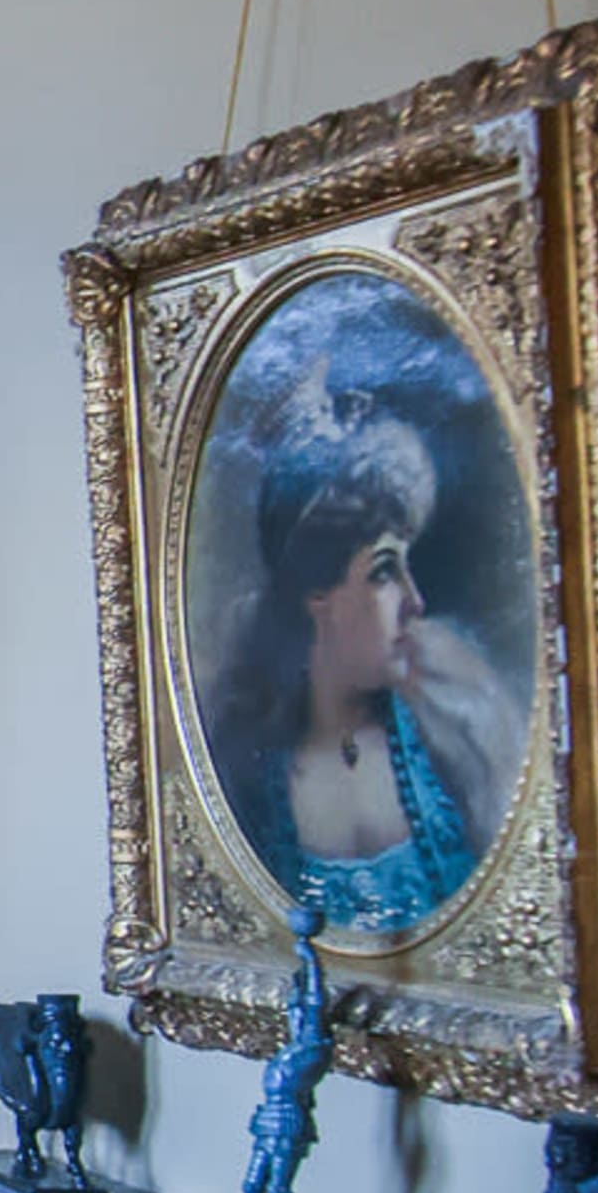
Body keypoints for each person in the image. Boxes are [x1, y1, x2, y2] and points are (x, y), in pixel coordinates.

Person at [203, 398, 518, 943]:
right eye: (383, 572)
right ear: (315, 591)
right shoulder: (242, 772)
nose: (415, 602)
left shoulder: (454, 736)